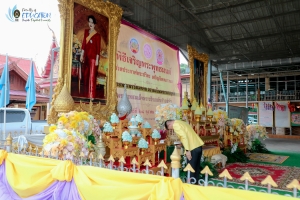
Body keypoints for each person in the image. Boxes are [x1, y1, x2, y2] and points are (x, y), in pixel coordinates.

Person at [80, 15, 101, 99]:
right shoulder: (86, 32)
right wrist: (82, 55)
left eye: (92, 22)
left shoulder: (97, 35)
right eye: (89, 22)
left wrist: (97, 60)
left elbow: (98, 48)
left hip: (93, 58)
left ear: (94, 24)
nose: (90, 23)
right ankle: (86, 94)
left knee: (92, 76)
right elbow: (84, 45)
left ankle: (91, 95)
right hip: (86, 57)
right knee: (86, 75)